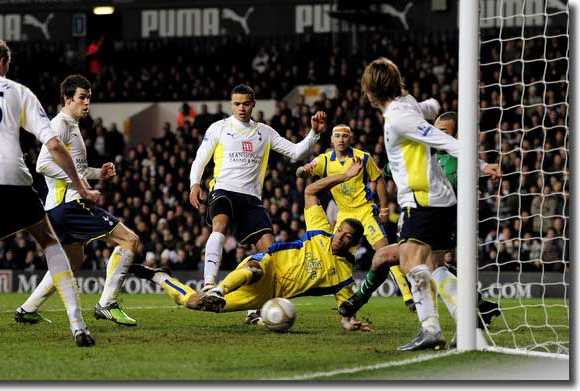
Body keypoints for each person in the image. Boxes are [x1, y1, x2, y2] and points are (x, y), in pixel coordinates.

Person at [359, 58, 501, 351]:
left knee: (411, 262)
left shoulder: (400, 117)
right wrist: (432, 105)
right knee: (435, 266)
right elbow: (431, 107)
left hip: (423, 199)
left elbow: (445, 141)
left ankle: (432, 329)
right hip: (441, 198)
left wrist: (480, 163)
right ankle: (464, 325)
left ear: (370, 90)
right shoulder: (407, 105)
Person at [131, 158, 371, 331]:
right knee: (254, 269)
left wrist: (349, 324)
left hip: (268, 295)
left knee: (198, 304)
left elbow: (345, 309)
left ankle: (160, 278)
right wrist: (344, 176)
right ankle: (218, 289)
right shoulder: (321, 232)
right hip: (269, 263)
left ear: (354, 243)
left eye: (347, 236)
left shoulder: (344, 275)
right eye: (340, 231)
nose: (340, 237)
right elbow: (310, 192)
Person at [0, 35, 99, 346]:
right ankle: (78, 325)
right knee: (48, 241)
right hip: (11, 177)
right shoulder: (19, 92)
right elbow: (54, 145)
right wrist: (81, 184)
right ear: (2, 63)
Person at [14, 75, 140, 327]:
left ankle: (27, 309)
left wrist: (97, 173)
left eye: (89, 98)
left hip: (58, 207)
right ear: (67, 98)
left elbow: (75, 168)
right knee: (130, 240)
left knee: (72, 261)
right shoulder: (60, 124)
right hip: (70, 204)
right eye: (82, 98)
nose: (87, 103)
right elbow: (43, 164)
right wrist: (82, 185)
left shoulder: (72, 126)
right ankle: (108, 304)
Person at [189, 84, 325, 303]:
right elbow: (200, 158)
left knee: (270, 250)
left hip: (251, 199)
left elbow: (297, 152)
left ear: (253, 104)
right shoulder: (219, 127)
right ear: (231, 105)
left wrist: (314, 133)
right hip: (224, 189)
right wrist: (194, 184)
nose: (241, 108)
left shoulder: (265, 132)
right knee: (220, 226)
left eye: (245, 103)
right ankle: (209, 284)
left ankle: (257, 305)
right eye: (236, 104)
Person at [295, 124, 413, 302]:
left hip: (365, 210)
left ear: (350, 139)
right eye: (337, 136)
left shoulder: (362, 157)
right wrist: (304, 171)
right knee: (335, 253)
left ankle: (407, 295)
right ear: (332, 139)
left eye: (345, 136)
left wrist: (384, 208)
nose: (341, 139)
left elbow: (378, 179)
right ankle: (342, 295)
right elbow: (300, 173)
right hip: (344, 214)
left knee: (384, 250)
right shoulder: (324, 161)